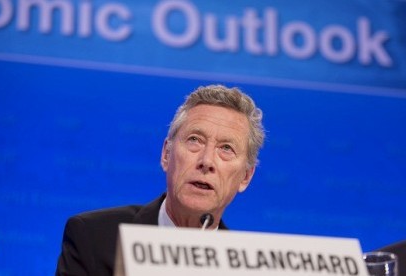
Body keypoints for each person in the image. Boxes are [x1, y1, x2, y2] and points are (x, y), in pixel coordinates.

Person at [55, 84, 265, 276]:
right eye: (195, 140)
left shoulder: (251, 269)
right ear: (166, 154)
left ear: (245, 177)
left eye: (226, 148)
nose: (206, 161)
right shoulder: (92, 237)